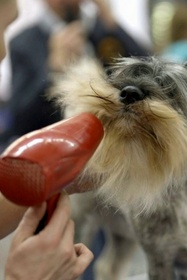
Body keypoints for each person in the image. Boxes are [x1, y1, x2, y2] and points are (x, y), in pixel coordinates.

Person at [0, 0, 93, 279]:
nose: (2, 53)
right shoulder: (25, 43)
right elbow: (19, 116)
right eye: (2, 26)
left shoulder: (96, 31)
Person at [0, 0, 148, 148]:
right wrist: (53, 69)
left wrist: (111, 22)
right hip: (54, 149)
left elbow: (147, 70)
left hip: (111, 143)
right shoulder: (24, 43)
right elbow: (20, 119)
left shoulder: (102, 29)